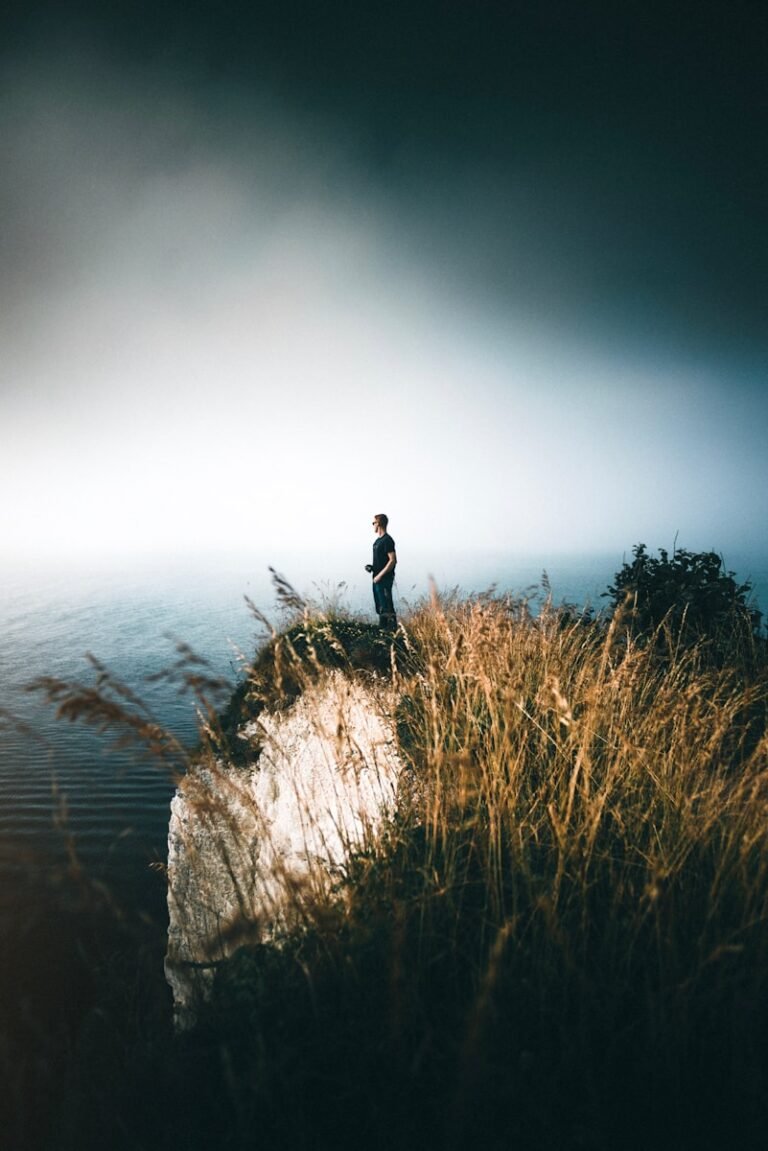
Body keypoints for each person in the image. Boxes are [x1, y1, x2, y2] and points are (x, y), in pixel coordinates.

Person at [365, 514, 397, 629]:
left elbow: (392, 560)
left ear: (379, 523)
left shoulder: (387, 540)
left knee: (386, 607)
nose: (373, 525)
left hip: (384, 579)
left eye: (373, 523)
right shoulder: (378, 541)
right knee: (380, 607)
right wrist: (372, 568)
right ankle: (382, 633)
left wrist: (380, 576)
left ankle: (391, 634)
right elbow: (382, 561)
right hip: (377, 578)